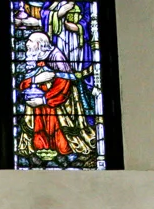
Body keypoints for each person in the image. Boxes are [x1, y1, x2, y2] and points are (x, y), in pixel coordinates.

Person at [17, 32, 96, 161]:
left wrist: (44, 99)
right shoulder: (34, 55)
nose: (27, 44)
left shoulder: (56, 56)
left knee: (60, 137)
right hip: (38, 103)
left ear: (40, 44)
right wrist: (35, 80)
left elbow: (65, 82)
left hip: (58, 103)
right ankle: (41, 147)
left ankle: (64, 151)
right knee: (39, 129)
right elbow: (24, 84)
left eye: (30, 41)